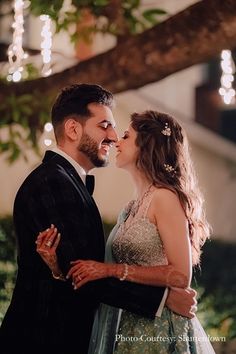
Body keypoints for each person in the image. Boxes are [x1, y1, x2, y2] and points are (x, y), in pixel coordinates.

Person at [0, 85, 196, 354]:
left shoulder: (69, 182)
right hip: (42, 339)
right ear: (73, 129)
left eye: (119, 130)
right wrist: (162, 299)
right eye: (105, 125)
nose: (114, 137)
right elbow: (79, 270)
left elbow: (81, 268)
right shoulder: (52, 182)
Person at [37, 110, 215, 353]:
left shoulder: (165, 198)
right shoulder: (131, 206)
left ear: (146, 145)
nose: (116, 142)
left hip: (159, 328)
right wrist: (56, 264)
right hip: (129, 322)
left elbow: (180, 275)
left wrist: (110, 269)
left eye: (126, 136)